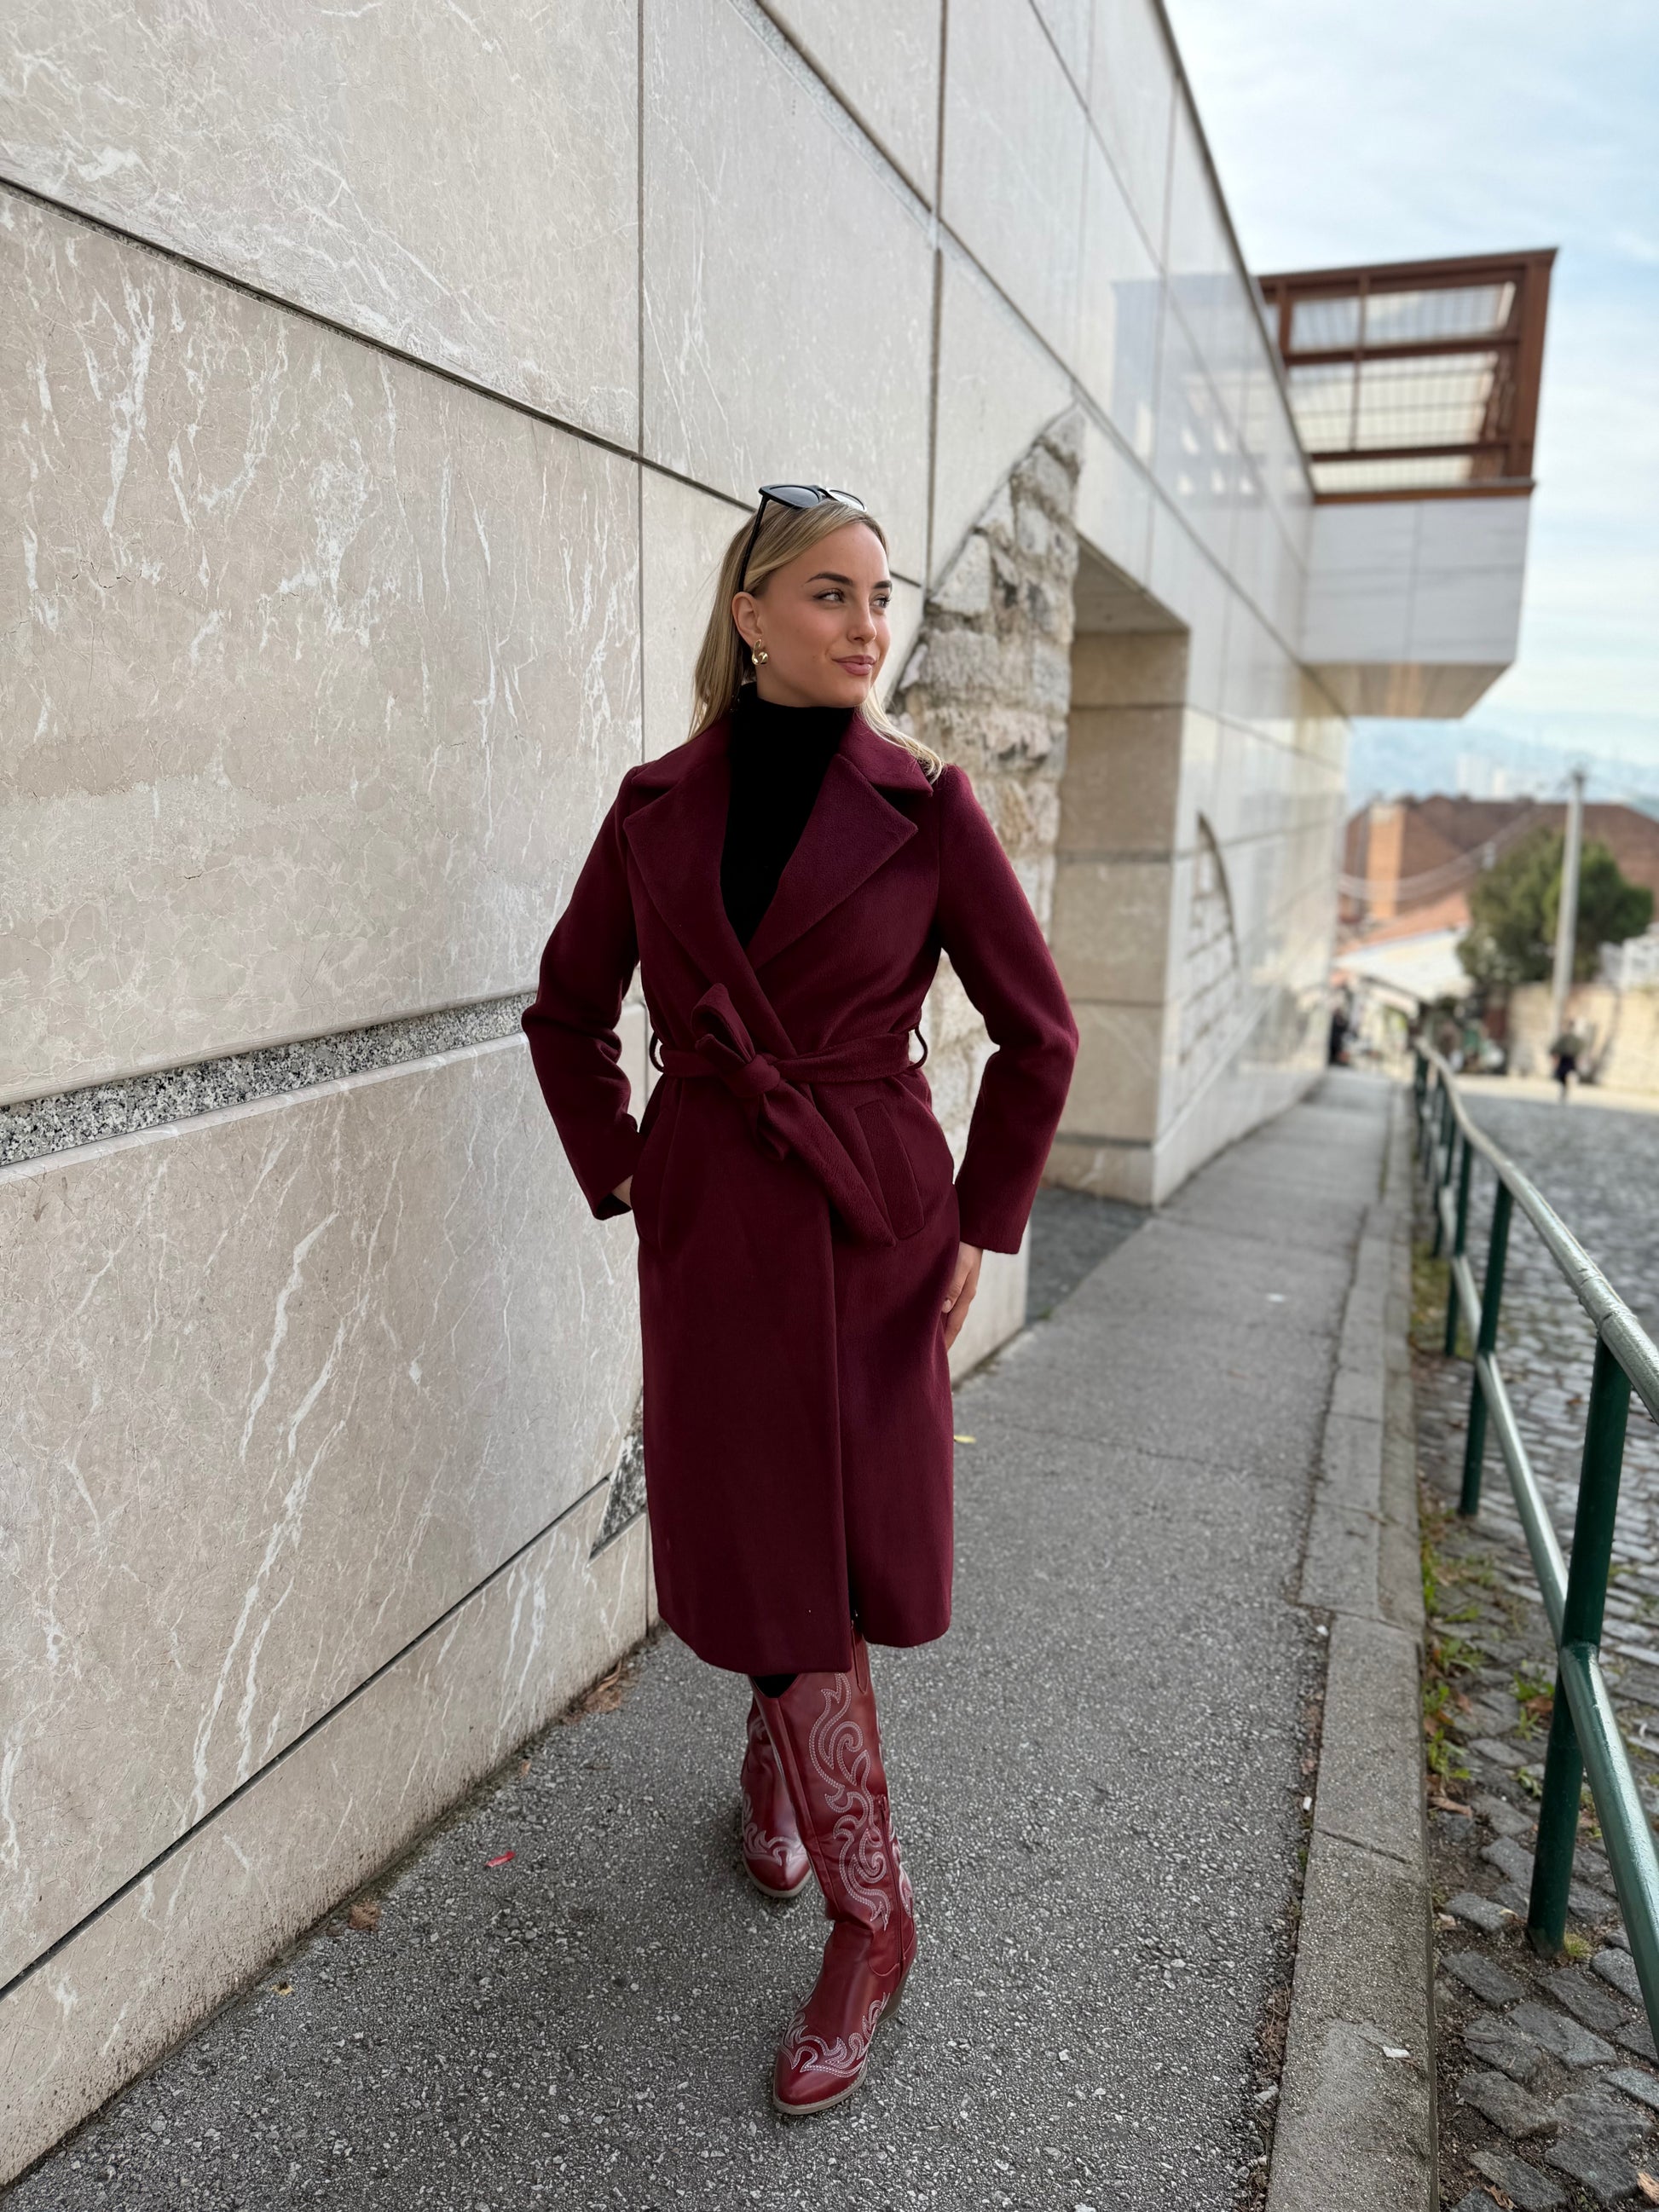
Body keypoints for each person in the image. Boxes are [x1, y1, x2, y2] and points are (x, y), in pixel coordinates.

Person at [520, 483, 1079, 2117]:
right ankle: (783, 1768)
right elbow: (566, 1013)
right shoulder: (653, 808)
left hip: (868, 1222)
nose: (866, 624)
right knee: (759, 1534)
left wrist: (983, 1218)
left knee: (831, 1552)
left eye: (879, 595)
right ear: (751, 614)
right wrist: (627, 1166)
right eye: (830, 593)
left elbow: (1039, 1034)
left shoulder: (927, 808)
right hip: (712, 1220)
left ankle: (870, 1916)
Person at [1551, 1026, 1581, 1100]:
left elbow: (1579, 1049)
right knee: (1562, 1075)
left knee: (1570, 1073)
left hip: (1571, 1058)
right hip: (1564, 1058)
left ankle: (1567, 1086)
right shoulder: (1562, 1039)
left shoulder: (1575, 1040)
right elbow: (1555, 1049)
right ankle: (1565, 1087)